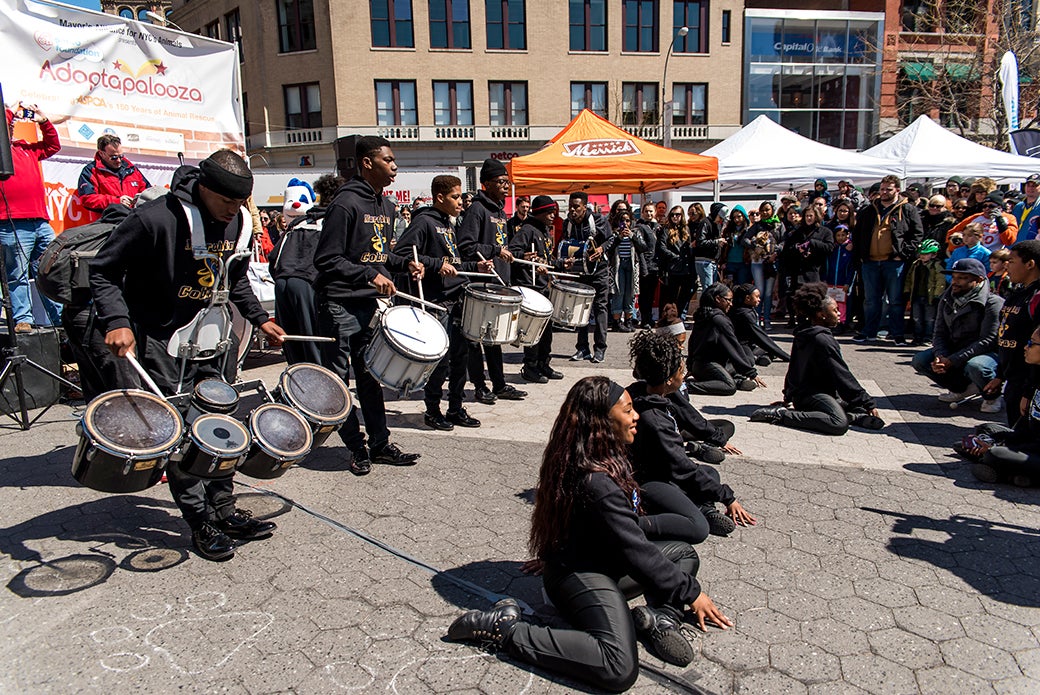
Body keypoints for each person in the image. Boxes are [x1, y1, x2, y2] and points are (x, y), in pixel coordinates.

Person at [447, 377, 733, 689]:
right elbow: (636, 550)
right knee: (618, 668)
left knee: (684, 554)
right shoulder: (595, 481)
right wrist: (691, 594)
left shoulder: (598, 453)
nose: (636, 416)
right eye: (627, 410)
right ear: (601, 421)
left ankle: (659, 618)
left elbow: (615, 532)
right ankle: (506, 629)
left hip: (605, 561)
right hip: (580, 577)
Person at [90, 149, 286, 561]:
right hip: (161, 340)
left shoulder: (237, 221)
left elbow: (234, 278)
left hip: (212, 337)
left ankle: (225, 509)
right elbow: (103, 270)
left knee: (221, 425)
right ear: (203, 187)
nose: (232, 210)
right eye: (226, 201)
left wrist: (260, 319)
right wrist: (117, 321)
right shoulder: (155, 218)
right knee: (183, 433)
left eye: (240, 202)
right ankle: (199, 522)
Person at [313, 135, 423, 475]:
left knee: (370, 376)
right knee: (338, 381)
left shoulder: (385, 206)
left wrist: (404, 264)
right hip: (338, 304)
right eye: (388, 160)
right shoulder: (345, 203)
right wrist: (368, 275)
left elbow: (377, 253)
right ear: (367, 163)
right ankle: (355, 447)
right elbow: (326, 259)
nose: (395, 166)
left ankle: (380, 444)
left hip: (366, 304)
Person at [627, 331, 756, 542]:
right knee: (698, 528)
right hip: (645, 482)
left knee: (710, 473)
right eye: (681, 370)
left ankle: (703, 508)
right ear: (669, 379)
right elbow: (683, 468)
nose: (684, 374)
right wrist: (728, 498)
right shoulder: (654, 420)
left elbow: (691, 418)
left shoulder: (652, 392)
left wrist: (718, 438)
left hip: (666, 472)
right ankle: (629, 524)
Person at [394, 175, 486, 431]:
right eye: (455, 197)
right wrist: (436, 265)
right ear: (440, 197)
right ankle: (432, 410)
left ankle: (455, 407)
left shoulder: (448, 223)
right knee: (441, 361)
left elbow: (453, 262)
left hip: (457, 297)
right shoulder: (423, 222)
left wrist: (475, 266)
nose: (460, 202)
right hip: (437, 302)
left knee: (461, 357)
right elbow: (403, 254)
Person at [751, 284, 884, 436]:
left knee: (855, 405)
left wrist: (788, 395)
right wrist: (868, 402)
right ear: (822, 314)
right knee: (838, 423)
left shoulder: (808, 332)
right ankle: (781, 415)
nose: (839, 314)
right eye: (834, 310)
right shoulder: (821, 340)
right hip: (809, 395)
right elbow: (842, 374)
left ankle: (852, 416)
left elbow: (794, 369)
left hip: (820, 392)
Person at [457, 159, 526, 401]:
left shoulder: (499, 211)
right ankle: (479, 386)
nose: (506, 186)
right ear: (486, 184)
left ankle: (499, 384)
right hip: (480, 285)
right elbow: (466, 246)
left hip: (498, 283)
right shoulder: (477, 210)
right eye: (501, 182)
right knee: (476, 339)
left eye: (507, 182)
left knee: (494, 338)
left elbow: (501, 246)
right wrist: (495, 251)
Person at [269, 173, 345, 366]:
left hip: (282, 282)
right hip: (306, 282)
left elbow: (274, 257)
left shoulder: (298, 222)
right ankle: (315, 380)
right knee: (313, 342)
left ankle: (295, 377)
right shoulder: (331, 222)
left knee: (291, 342)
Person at [1, 104, 62, 332]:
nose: (11, 126)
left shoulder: (25, 147)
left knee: (49, 271)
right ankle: (23, 319)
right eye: (8, 123)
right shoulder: (2, 152)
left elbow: (53, 145)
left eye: (12, 124)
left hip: (40, 222)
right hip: (11, 223)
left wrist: (43, 121)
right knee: (16, 274)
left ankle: (60, 319)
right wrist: (10, 111)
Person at [910, 257, 1002, 409]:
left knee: (977, 366)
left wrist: (952, 360)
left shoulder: (993, 303)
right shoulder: (947, 298)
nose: (955, 282)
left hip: (985, 353)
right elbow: (939, 332)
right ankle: (960, 389)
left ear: (978, 280)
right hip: (956, 349)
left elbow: (988, 340)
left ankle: (992, 396)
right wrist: (940, 356)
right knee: (920, 360)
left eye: (962, 278)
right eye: (953, 277)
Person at [961, 325, 1040, 486]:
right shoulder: (1036, 379)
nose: (1025, 347)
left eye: (1031, 343)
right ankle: (1014, 473)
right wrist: (996, 440)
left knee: (995, 454)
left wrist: (997, 446)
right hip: (1032, 443)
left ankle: (1009, 473)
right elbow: (1027, 431)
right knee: (986, 430)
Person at [851, 174, 923, 345]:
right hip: (870, 262)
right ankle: (869, 332)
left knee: (895, 300)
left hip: (894, 262)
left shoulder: (907, 209)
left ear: (897, 189)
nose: (884, 192)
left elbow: (917, 234)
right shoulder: (869, 210)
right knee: (871, 300)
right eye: (882, 189)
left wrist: (902, 253)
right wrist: (861, 256)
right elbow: (858, 234)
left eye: (888, 189)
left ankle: (897, 334)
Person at [983, 240, 1040, 425]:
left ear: (1030, 264)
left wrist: (1029, 391)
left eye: (1012, 261)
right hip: (1012, 379)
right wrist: (1000, 375)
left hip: (1028, 382)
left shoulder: (1036, 298)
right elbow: (1006, 336)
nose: (1007, 266)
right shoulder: (1016, 294)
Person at [510, 195, 564, 383]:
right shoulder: (527, 230)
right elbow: (512, 252)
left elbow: (546, 258)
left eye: (553, 212)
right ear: (539, 213)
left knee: (546, 331)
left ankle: (543, 363)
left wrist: (561, 264)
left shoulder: (544, 230)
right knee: (533, 331)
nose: (553, 216)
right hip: (530, 286)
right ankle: (530, 366)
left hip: (542, 285)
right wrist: (527, 259)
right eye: (549, 212)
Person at [562, 191, 615, 363]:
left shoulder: (598, 220)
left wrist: (601, 249)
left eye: (576, 207)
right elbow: (565, 243)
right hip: (580, 271)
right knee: (580, 309)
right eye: (570, 206)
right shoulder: (567, 223)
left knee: (600, 308)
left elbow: (611, 239)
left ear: (585, 207)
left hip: (599, 270)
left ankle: (600, 349)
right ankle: (582, 348)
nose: (572, 210)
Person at [686, 283, 764, 395]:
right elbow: (733, 346)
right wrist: (752, 373)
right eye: (729, 300)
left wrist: (690, 365)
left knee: (745, 361)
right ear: (718, 299)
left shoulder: (703, 315)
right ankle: (686, 387)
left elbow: (692, 342)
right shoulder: (719, 320)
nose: (731, 304)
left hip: (699, 366)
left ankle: (736, 379)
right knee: (729, 386)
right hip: (708, 366)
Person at [77, 134, 151, 216]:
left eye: (121, 156)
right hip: (109, 220)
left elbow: (148, 192)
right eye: (114, 157)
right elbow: (87, 199)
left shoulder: (132, 170)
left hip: (134, 219)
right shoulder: (91, 171)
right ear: (101, 153)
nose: (119, 160)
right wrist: (116, 201)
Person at [729, 283, 790, 365]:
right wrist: (786, 357)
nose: (759, 300)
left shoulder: (747, 309)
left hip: (749, 344)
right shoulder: (744, 314)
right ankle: (758, 357)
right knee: (749, 361)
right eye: (757, 297)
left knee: (769, 348)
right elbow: (760, 337)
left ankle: (764, 356)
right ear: (747, 298)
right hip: (739, 345)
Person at [902, 239, 947, 346]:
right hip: (916, 295)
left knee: (929, 319)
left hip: (929, 297)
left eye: (926, 254)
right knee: (916, 318)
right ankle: (917, 337)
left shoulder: (937, 266)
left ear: (934, 254)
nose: (922, 256)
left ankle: (928, 337)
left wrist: (937, 295)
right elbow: (909, 278)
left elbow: (940, 281)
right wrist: (907, 291)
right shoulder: (916, 264)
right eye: (921, 253)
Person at [744, 201, 781, 329]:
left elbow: (784, 241)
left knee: (768, 293)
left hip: (771, 262)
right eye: (763, 210)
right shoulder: (757, 225)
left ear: (772, 210)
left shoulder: (778, 225)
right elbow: (745, 239)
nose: (765, 212)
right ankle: (756, 319)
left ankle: (767, 319)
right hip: (758, 262)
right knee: (759, 291)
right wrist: (755, 245)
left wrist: (775, 252)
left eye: (767, 210)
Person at [945, 191, 1018, 254]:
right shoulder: (975, 217)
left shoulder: (1009, 218)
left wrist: (1000, 221)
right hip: (974, 255)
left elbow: (1009, 241)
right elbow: (951, 233)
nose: (987, 209)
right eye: (984, 206)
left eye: (991, 206)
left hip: (994, 257)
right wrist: (959, 242)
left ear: (1000, 207)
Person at [658, 205, 697, 321]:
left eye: (678, 214)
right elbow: (661, 247)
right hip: (673, 268)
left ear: (682, 216)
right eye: (672, 214)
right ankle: (670, 318)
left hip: (687, 268)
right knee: (671, 296)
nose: (675, 217)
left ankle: (681, 318)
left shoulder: (686, 229)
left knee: (685, 295)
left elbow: (690, 248)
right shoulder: (666, 229)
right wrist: (674, 257)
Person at [608, 201, 641, 332]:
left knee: (630, 293)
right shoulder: (614, 233)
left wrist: (632, 236)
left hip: (632, 265)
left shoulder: (635, 232)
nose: (625, 223)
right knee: (618, 292)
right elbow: (609, 249)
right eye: (622, 221)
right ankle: (616, 321)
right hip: (618, 265)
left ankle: (629, 320)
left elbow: (643, 247)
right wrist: (619, 237)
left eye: (627, 220)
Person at [635, 201, 662, 328]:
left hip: (655, 265)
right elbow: (641, 247)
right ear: (642, 213)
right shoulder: (639, 227)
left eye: (651, 211)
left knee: (651, 295)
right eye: (646, 211)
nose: (648, 213)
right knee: (644, 295)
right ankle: (645, 319)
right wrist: (644, 267)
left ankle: (649, 317)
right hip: (645, 264)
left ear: (655, 212)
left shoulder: (658, 227)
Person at [721, 205, 751, 285]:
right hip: (730, 263)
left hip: (743, 263)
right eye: (734, 217)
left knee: (742, 286)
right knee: (730, 286)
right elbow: (723, 247)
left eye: (739, 216)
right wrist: (722, 262)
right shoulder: (728, 230)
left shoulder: (748, 230)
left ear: (744, 216)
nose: (736, 219)